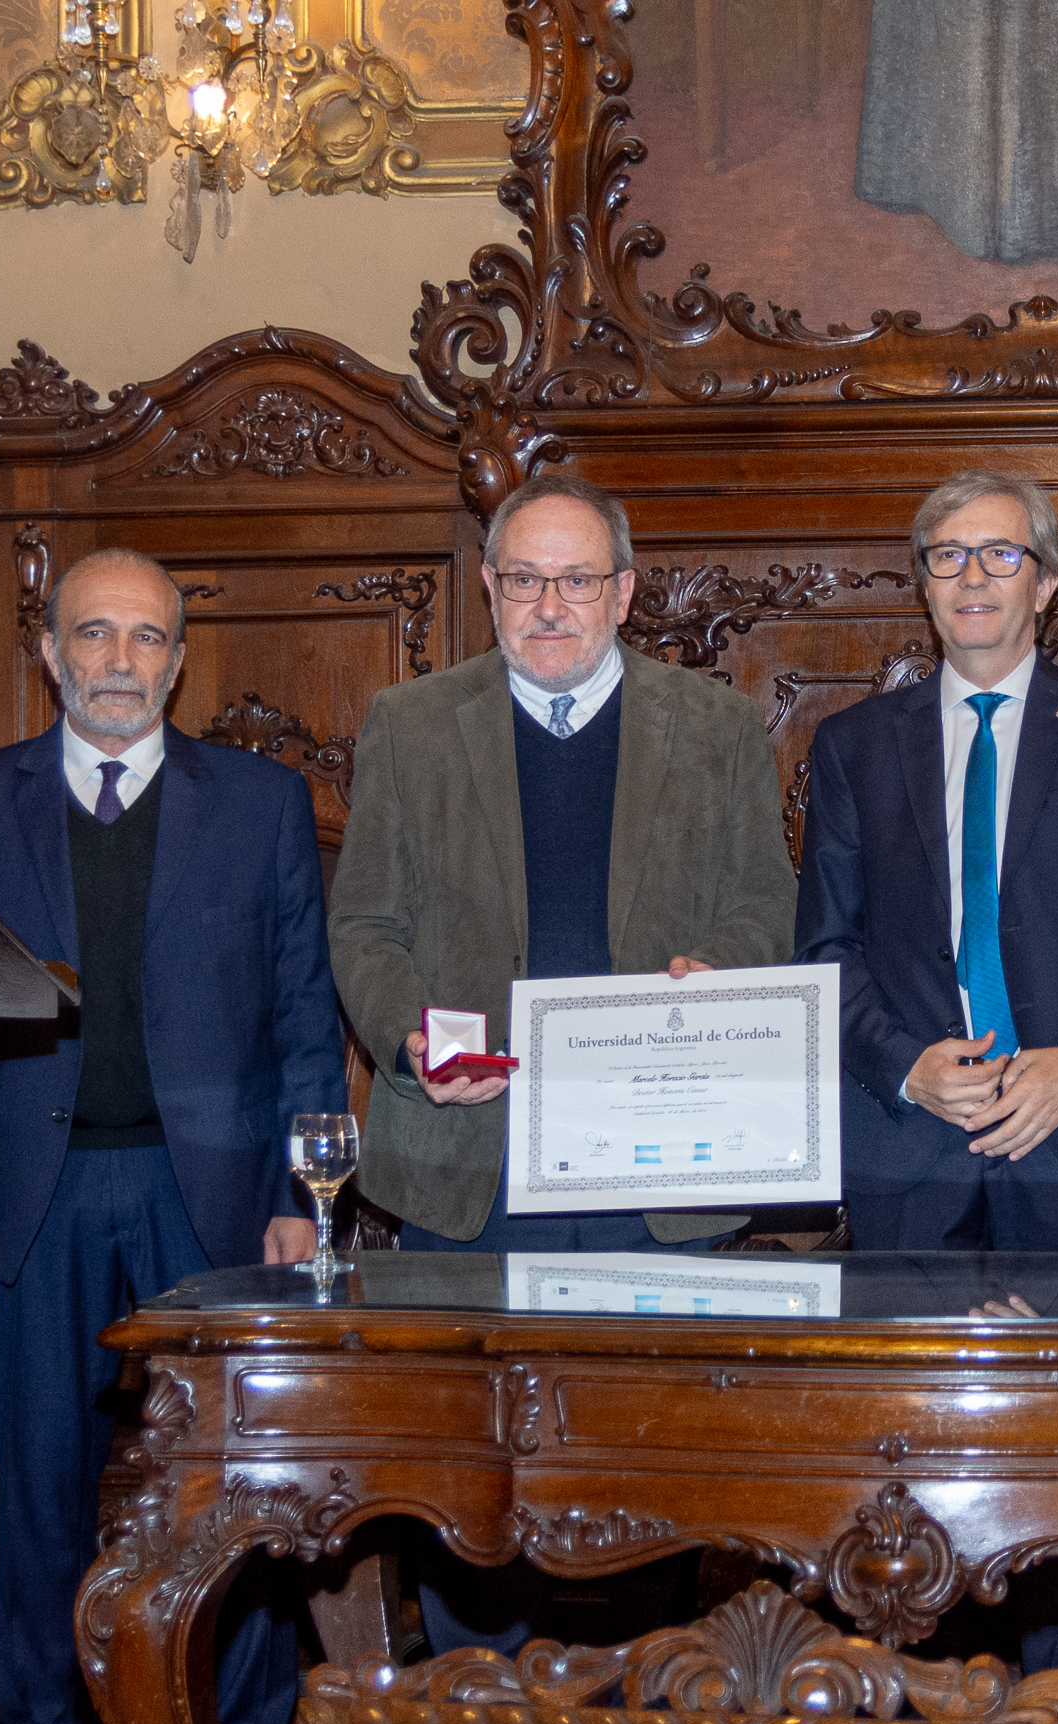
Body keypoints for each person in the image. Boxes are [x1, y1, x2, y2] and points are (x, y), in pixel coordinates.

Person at [0, 547, 345, 1724]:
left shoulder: (258, 804)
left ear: (179, 658)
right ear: (50, 653)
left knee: (236, 1484)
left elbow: (306, 1015)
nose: (121, 664)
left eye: (147, 640)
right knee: (41, 1478)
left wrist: (305, 1194)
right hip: (28, 1196)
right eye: (96, 635)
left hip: (213, 1197)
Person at [327, 470, 794, 1651]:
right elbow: (365, 928)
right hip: (470, 1157)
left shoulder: (722, 727)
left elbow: (767, 911)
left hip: (659, 1167)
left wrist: (713, 974)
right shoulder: (409, 723)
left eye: (575, 580)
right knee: (474, 1476)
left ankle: (636, 1717)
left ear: (623, 592)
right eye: (524, 579)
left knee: (649, 1465)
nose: (549, 605)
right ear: (487, 588)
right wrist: (413, 1039)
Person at [794, 468, 1058, 1676]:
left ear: (1049, 582)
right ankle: (912, 1703)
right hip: (907, 1140)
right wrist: (905, 1065)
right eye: (947, 557)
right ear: (922, 585)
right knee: (906, 1445)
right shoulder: (853, 744)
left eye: (999, 555)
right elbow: (822, 947)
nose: (973, 577)